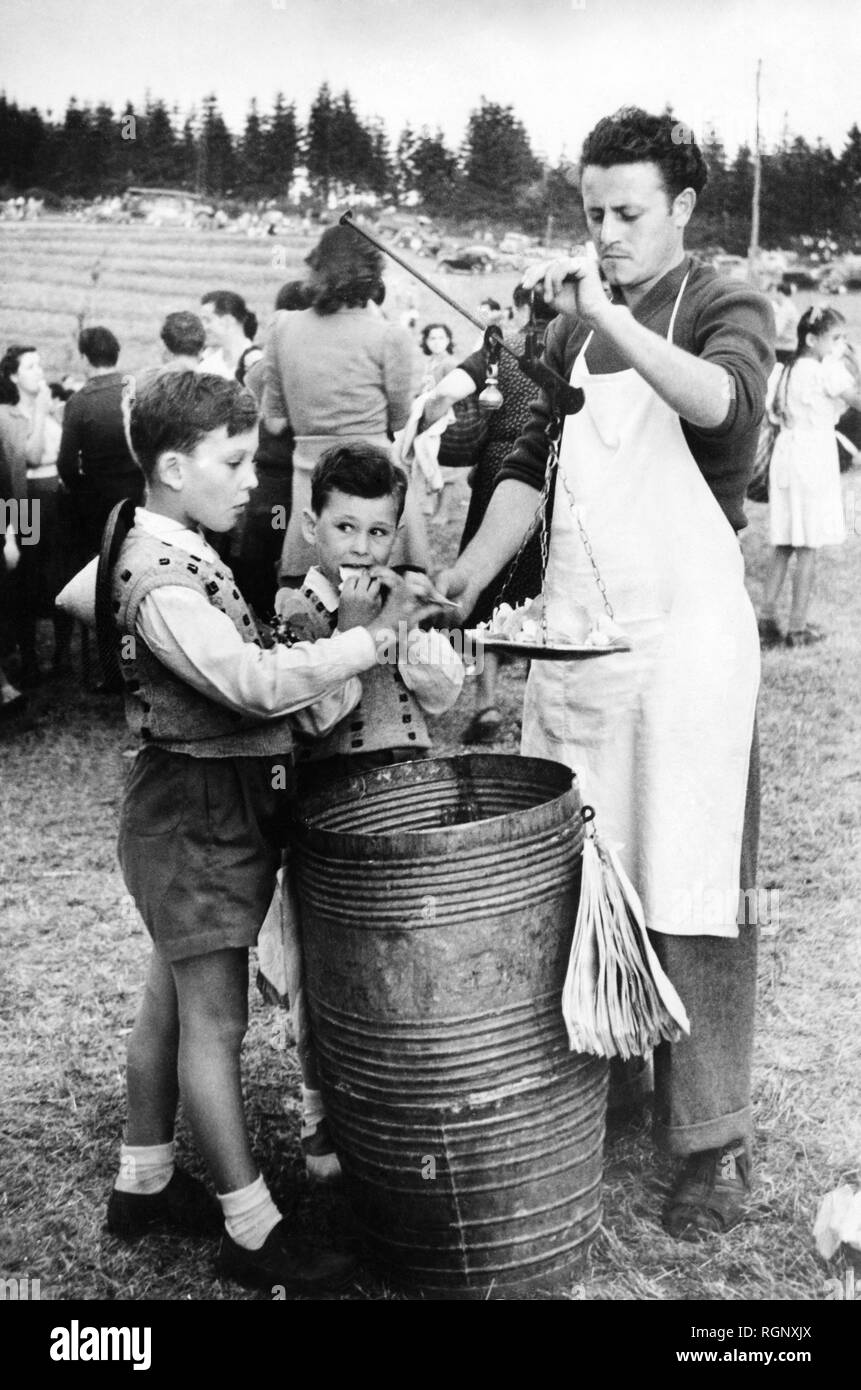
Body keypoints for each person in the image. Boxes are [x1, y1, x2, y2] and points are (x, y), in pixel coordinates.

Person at [437, 107, 775, 1241]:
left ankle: (707, 1135)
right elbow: (529, 463)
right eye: (592, 214)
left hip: (680, 652)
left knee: (691, 889)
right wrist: (468, 575)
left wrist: (607, 319)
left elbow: (723, 405)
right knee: (585, 876)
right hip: (579, 645)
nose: (609, 233)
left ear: (683, 208)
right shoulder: (573, 328)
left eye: (629, 213)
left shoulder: (726, 301)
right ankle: (615, 1081)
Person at [56, 370, 438, 1292]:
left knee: (171, 1003)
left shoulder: (159, 537)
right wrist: (366, 642)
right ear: (174, 466)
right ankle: (251, 1227)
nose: (250, 482)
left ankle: (143, 1182)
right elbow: (252, 685)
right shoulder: (162, 576)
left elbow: (78, 593)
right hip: (196, 817)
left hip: (198, 809)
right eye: (232, 463)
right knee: (215, 1026)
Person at [259, 443, 464, 1178]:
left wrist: (411, 629)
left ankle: (408, 1095)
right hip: (329, 803)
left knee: (409, 945)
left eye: (378, 532)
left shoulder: (398, 590)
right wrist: (357, 632)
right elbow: (311, 719)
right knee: (325, 965)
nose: (360, 547)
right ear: (313, 525)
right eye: (345, 528)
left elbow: (442, 696)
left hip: (406, 787)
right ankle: (322, 1112)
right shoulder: (297, 609)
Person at [422, 284, 556, 743]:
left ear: (522, 308)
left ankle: (487, 703)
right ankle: (543, 703)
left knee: (488, 588)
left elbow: (442, 394)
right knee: (546, 584)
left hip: (504, 470)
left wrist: (430, 433)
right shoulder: (573, 348)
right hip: (561, 469)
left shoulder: (504, 349)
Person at [261, 223, 429, 583]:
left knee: (305, 609)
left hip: (311, 487)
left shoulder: (281, 327)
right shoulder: (389, 336)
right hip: (378, 487)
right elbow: (399, 420)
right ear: (373, 274)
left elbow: (273, 421)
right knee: (392, 607)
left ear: (317, 265)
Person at [759, 306, 861, 649]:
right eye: (835, 338)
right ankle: (797, 626)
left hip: (787, 454)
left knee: (785, 542)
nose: (839, 345)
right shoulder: (824, 372)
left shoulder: (786, 370)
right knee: (808, 545)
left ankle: (766, 616)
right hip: (812, 457)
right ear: (812, 339)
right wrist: (857, 362)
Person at [0, 346, 74, 682]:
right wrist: (42, 410)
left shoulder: (51, 413)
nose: (39, 371)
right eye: (30, 366)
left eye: (40, 364)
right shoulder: (8, 416)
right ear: (13, 376)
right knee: (26, 579)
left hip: (52, 497)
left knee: (59, 573)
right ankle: (29, 658)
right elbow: (29, 454)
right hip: (24, 503)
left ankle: (61, 656)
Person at [57, 326, 144, 565]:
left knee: (102, 564)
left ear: (85, 358)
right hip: (140, 491)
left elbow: (66, 463)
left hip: (98, 498)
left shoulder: (79, 401)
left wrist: (81, 488)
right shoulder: (136, 389)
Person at [199, 291, 261, 383]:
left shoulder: (258, 365)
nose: (202, 327)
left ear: (228, 321)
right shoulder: (205, 367)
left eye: (208, 320)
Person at [418, 323, 456, 391]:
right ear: (426, 341)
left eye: (441, 338)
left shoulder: (449, 363)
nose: (437, 342)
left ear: (447, 340)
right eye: (432, 338)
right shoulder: (429, 362)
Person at [771, 282, 800, 365]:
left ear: (779, 293)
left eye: (773, 292)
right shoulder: (788, 305)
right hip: (788, 347)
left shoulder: (785, 309)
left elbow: (776, 331)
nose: (771, 295)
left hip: (784, 350)